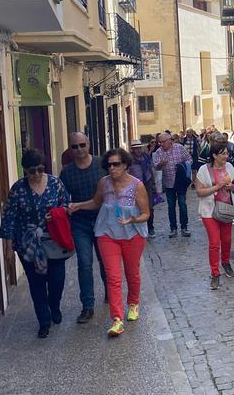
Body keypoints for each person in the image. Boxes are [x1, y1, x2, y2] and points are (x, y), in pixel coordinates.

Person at [68, 148, 150, 337]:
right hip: (107, 233)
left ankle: (133, 303)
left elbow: (146, 213)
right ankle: (117, 319)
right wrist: (78, 205)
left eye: (116, 164)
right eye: (109, 165)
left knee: (132, 272)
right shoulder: (103, 183)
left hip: (132, 235)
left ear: (126, 165)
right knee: (113, 276)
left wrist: (133, 220)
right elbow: (96, 202)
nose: (112, 168)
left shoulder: (136, 186)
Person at [0, 150, 72, 338]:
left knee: (57, 279)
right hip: (27, 244)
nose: (37, 174)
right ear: (25, 170)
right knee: (36, 283)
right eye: (32, 171)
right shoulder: (18, 189)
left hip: (53, 240)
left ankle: (54, 306)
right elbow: (9, 219)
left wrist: (55, 214)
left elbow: (68, 205)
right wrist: (7, 248)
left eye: (40, 169)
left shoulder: (55, 183)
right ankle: (44, 321)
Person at [59, 132, 107, 324]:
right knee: (85, 264)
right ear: (70, 149)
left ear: (88, 144)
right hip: (80, 224)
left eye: (82, 145)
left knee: (105, 261)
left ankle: (111, 293)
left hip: (103, 221)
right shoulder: (67, 172)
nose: (79, 150)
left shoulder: (101, 164)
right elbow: (62, 199)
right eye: (74, 147)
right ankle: (87, 306)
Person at [194, 141, 234, 290]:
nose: (226, 156)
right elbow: (199, 191)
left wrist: (232, 186)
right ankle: (215, 273)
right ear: (214, 155)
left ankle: (225, 262)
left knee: (226, 239)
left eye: (227, 153)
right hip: (209, 210)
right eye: (223, 153)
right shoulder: (204, 170)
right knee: (214, 242)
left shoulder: (230, 168)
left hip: (226, 208)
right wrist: (217, 186)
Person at [152, 133, 192, 238]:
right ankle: (173, 228)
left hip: (180, 182)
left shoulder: (179, 148)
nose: (161, 144)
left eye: (163, 142)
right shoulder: (158, 152)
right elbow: (156, 167)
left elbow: (189, 159)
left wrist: (181, 166)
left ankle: (184, 227)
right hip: (169, 183)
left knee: (182, 204)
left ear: (170, 140)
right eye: (159, 142)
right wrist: (161, 164)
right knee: (171, 206)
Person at [127, 139, 155, 237]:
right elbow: (127, 172)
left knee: (150, 207)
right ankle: (141, 228)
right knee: (138, 207)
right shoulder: (129, 160)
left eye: (139, 148)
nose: (138, 150)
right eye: (135, 149)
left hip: (147, 183)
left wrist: (153, 182)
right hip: (136, 186)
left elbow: (150, 169)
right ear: (132, 149)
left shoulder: (146, 157)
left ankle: (151, 227)